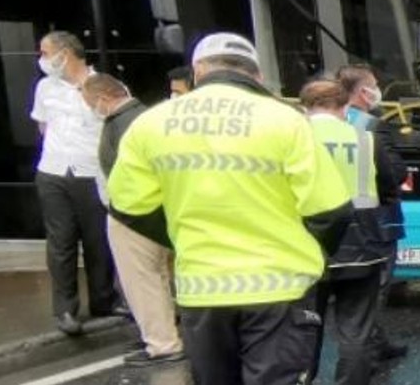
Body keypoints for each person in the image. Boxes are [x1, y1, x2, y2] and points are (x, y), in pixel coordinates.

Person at [108, 33, 352, 385]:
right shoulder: (287, 121)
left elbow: (127, 206)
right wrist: (309, 253)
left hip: (202, 290)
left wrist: (180, 236)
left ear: (198, 71)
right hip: (279, 288)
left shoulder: (150, 124)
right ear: (258, 76)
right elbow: (332, 210)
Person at [302, 79, 401, 385]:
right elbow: (390, 183)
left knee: (304, 329)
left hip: (308, 247)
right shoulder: (364, 138)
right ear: (345, 107)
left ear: (303, 108)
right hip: (362, 246)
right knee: (356, 331)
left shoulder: (295, 138)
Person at [82, 73, 184, 367]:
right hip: (155, 213)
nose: (91, 109)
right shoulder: (144, 119)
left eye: (90, 102)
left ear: (103, 98)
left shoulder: (126, 124)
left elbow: (125, 171)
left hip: (134, 215)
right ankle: (166, 337)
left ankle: (163, 343)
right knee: (159, 278)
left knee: (143, 281)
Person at [29, 31, 122, 335]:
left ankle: (103, 300)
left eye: (45, 53)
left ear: (65, 53)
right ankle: (66, 311)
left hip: (91, 172)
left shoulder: (106, 85)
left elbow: (116, 126)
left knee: (98, 240)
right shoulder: (45, 87)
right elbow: (42, 125)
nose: (42, 60)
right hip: (54, 171)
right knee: (61, 242)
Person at [336, 65, 409, 363]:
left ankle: (377, 344)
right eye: (375, 85)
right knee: (372, 291)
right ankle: (367, 353)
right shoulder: (372, 125)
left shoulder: (315, 124)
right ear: (363, 92)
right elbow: (394, 173)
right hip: (374, 220)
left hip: (328, 220)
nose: (378, 91)